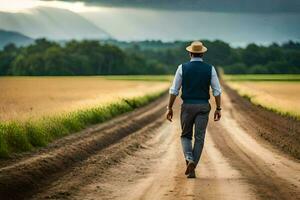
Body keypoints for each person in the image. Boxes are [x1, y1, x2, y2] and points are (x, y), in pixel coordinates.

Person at [166, 41, 222, 178]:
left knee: (185, 136)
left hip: (187, 106)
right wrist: (218, 108)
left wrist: (170, 107)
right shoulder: (210, 69)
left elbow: (174, 90)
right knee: (199, 138)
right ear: (202, 54)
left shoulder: (182, 68)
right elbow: (217, 91)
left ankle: (189, 159)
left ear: (190, 53)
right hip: (203, 106)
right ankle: (192, 166)